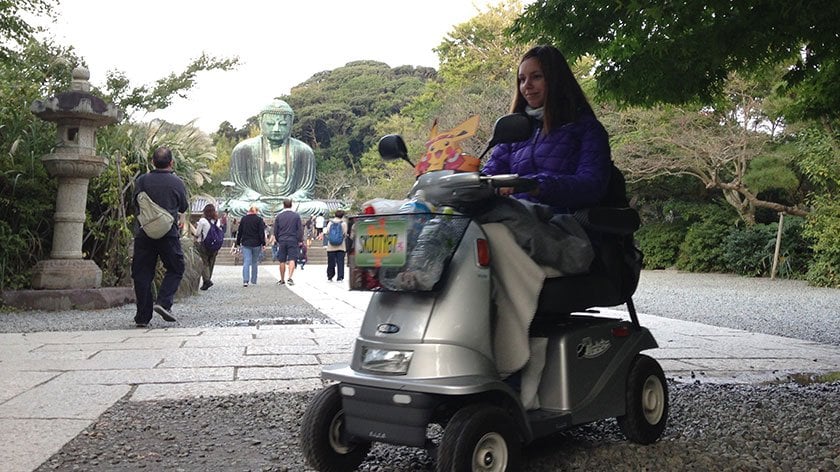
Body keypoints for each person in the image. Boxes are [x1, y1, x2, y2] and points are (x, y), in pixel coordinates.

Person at [479, 44, 612, 274]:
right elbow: (490, 175)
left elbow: (593, 185)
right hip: (516, 224)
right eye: (521, 79)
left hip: (562, 229)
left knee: (494, 241)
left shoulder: (585, 129)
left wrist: (538, 185)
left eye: (536, 77)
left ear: (556, 79)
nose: (526, 86)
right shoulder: (513, 132)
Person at [227, 99, 329, 217]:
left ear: (291, 124)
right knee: (232, 206)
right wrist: (260, 197)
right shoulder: (243, 149)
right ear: (261, 123)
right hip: (258, 203)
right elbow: (240, 188)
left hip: (292, 204)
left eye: (283, 124)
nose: (276, 129)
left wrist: (290, 199)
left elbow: (306, 190)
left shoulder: (304, 151)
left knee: (320, 208)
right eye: (270, 124)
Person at [131, 146, 188, 328]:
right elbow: (183, 207)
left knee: (142, 273)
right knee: (176, 267)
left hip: (145, 232)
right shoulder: (177, 182)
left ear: (153, 162)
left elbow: (135, 203)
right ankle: (163, 302)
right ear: (171, 163)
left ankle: (142, 317)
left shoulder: (142, 180)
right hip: (168, 232)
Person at [272, 198, 303, 286]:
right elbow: (299, 229)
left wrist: (278, 239)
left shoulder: (279, 216)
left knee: (282, 260)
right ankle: (290, 277)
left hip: (282, 239)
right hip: (293, 239)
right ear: (291, 205)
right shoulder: (296, 216)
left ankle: (282, 279)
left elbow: (275, 230)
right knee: (292, 258)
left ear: (283, 205)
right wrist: (299, 239)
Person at [234, 206, 266, 287]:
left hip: (246, 243)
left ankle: (245, 280)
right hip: (257, 243)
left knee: (246, 261)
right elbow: (261, 233)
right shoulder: (259, 220)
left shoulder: (244, 219)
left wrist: (237, 242)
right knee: (255, 262)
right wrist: (263, 243)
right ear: (256, 211)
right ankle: (254, 280)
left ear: (249, 211)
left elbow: (240, 232)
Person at [194, 203, 221, 291]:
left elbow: (197, 233)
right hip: (215, 245)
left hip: (204, 245)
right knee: (211, 262)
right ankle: (208, 279)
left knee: (204, 262)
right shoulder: (217, 221)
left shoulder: (202, 221)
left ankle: (207, 280)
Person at [325, 210, 348, 282]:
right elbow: (345, 233)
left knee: (331, 262)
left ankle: (330, 276)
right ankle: (340, 277)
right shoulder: (343, 223)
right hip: (341, 246)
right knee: (340, 262)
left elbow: (327, 232)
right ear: (342, 216)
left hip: (331, 246)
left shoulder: (330, 223)